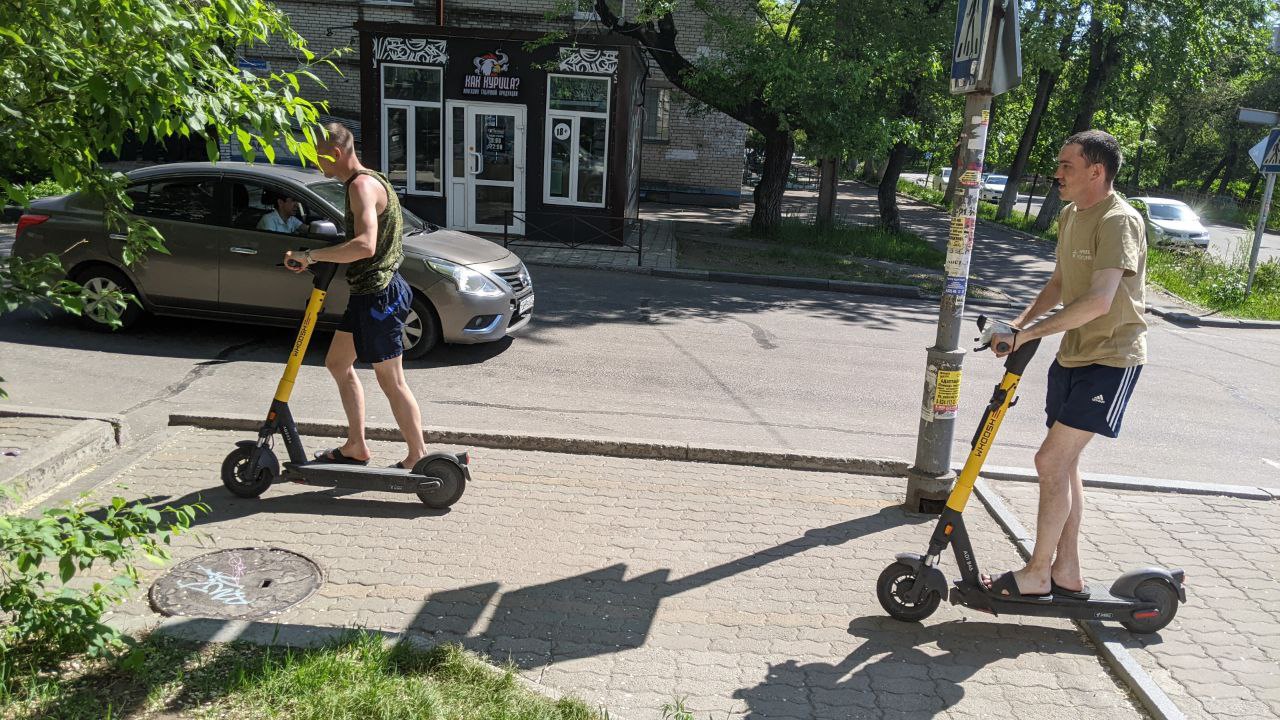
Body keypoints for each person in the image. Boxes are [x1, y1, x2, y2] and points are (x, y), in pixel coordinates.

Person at [983, 129, 1147, 600]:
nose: (1057, 173)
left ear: (1096, 171)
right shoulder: (1073, 215)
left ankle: (1036, 572)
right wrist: (1016, 324)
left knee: (1049, 460)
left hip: (1111, 358)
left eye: (1067, 166)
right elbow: (1059, 282)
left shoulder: (1119, 221)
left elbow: (1098, 301)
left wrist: (1029, 335)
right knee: (1065, 466)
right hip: (1072, 354)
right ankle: (1066, 571)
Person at [283, 122, 425, 470]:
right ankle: (356, 445)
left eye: (319, 159)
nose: (318, 166)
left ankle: (418, 455)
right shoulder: (371, 178)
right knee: (337, 363)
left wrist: (312, 256)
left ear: (335, 153)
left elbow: (365, 245)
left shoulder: (360, 186)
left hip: (380, 294)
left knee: (392, 381)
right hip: (368, 292)